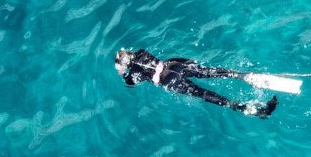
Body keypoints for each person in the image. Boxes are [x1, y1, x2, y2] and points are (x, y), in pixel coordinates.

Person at [114, 48, 277, 118]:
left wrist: (122, 73)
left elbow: (130, 83)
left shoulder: (134, 72)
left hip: (168, 80)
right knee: (208, 72)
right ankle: (240, 75)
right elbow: (136, 58)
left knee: (202, 93)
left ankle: (246, 108)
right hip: (173, 65)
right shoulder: (142, 52)